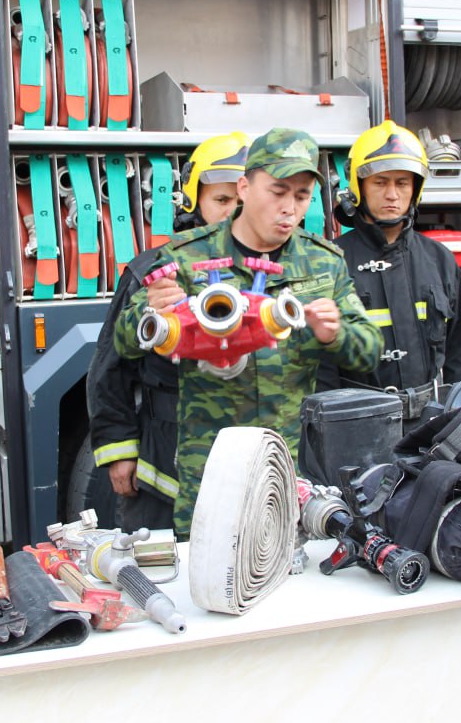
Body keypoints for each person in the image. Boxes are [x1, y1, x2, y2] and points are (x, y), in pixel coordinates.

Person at [114, 127, 381, 537]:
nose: (289, 208)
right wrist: (150, 311)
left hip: (284, 468)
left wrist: (336, 333)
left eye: (302, 195)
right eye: (278, 191)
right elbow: (124, 341)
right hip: (208, 469)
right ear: (244, 187)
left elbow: (370, 350)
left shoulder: (322, 263)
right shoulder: (187, 257)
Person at [87, 132, 251, 531]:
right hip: (166, 463)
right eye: (222, 200)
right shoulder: (153, 272)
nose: (232, 213)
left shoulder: (276, 274)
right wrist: (118, 451)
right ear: (195, 201)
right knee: (163, 577)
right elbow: (110, 368)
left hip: (249, 456)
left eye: (243, 202)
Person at [318, 120, 461, 421]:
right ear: (359, 186)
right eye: (380, 182)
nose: (392, 194)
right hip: (356, 423)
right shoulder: (330, 262)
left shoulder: (440, 261)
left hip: (430, 425)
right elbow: (322, 370)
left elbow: (459, 357)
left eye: (402, 183)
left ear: (416, 188)